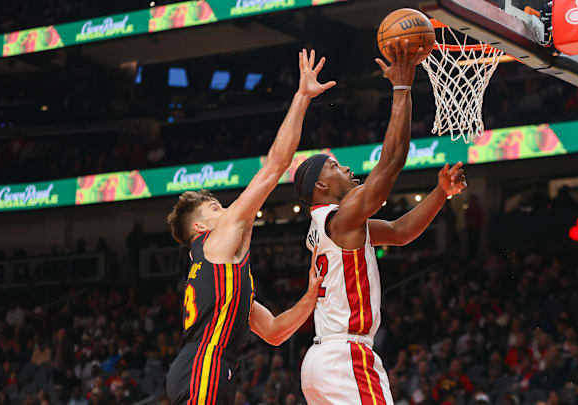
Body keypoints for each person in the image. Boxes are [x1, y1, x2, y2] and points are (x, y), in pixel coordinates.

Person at [294, 39, 467, 405]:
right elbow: (390, 165)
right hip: (346, 356)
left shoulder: (335, 225)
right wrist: (402, 88)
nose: (346, 168)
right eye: (335, 166)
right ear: (321, 185)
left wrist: (440, 194)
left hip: (320, 360)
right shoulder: (342, 218)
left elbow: (401, 232)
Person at [164, 49, 335, 405]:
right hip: (204, 366)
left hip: (208, 367)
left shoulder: (223, 276)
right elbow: (276, 165)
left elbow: (273, 332)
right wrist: (302, 97)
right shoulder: (217, 241)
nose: (226, 209)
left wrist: (310, 294)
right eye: (215, 207)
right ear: (200, 226)